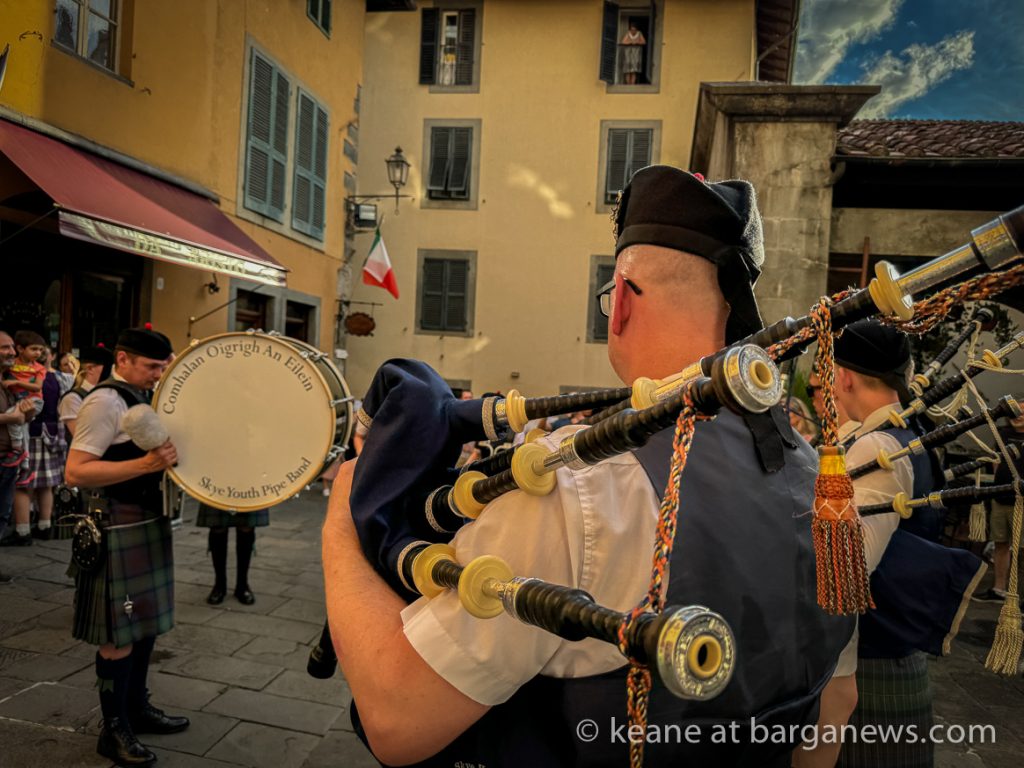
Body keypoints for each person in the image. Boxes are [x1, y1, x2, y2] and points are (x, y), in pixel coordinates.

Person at [322, 166, 853, 766]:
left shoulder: (579, 483)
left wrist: (343, 518)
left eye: (610, 296)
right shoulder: (820, 476)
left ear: (621, 298)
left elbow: (399, 721)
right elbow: (826, 707)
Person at [64, 327, 189, 767]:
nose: (159, 374)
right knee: (119, 635)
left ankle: (136, 708)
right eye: (153, 366)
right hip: (116, 522)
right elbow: (76, 472)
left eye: (161, 366)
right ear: (123, 358)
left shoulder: (141, 398)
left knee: (145, 626)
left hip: (147, 519)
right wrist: (146, 464)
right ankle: (112, 729)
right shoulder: (104, 401)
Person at [12, 348, 68, 541]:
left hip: (31, 432)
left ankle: (22, 531)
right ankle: (45, 526)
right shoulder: (60, 379)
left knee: (23, 484)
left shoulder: (24, 376)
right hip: (52, 433)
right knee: (46, 485)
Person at [973, 407, 1024, 603]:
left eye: (1023, 412)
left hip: (1022, 501)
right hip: (1000, 497)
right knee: (1000, 543)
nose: (1018, 415)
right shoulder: (1002, 434)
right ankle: (999, 590)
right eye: (1015, 411)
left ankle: (1017, 594)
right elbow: (996, 462)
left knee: (1022, 548)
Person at [0, 331, 38, 580]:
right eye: (5, 348)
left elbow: (19, 417)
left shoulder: (9, 382)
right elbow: (10, 418)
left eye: (12, 347)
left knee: (2, 514)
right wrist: (11, 417)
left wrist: (28, 413)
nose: (12, 352)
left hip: (8, 460)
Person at [196, 502, 267, 605]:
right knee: (217, 526)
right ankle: (219, 585)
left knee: (246, 526)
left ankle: (242, 585)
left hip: (250, 488)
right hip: (216, 488)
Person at [59, 345, 115, 439]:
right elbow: (84, 438)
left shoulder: (111, 394)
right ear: (90, 369)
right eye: (109, 368)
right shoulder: (73, 398)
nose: (112, 373)